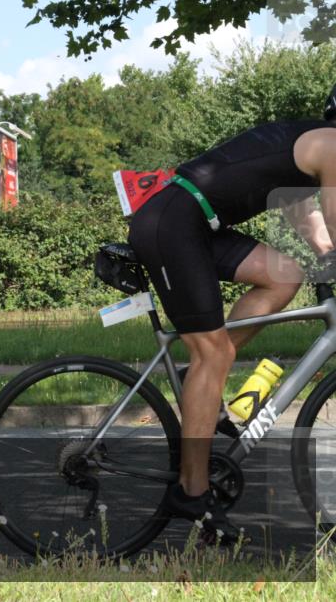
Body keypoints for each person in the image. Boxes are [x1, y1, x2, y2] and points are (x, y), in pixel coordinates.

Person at [128, 84, 336, 544]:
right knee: (214, 354)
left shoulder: (310, 144)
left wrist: (325, 252)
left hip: (193, 221)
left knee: (284, 276)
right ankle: (192, 493)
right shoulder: (334, 146)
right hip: (174, 221)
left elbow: (309, 217)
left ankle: (196, 372)